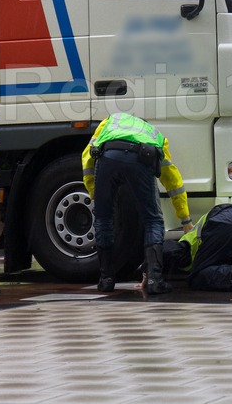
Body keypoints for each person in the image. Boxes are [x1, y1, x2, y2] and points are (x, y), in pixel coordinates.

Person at [82, 113, 193, 294]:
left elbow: (87, 155)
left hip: (107, 156)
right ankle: (155, 281)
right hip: (141, 156)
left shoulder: (111, 121)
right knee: (153, 220)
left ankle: (106, 280)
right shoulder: (154, 135)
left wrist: (94, 191)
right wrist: (185, 219)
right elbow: (173, 181)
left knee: (103, 218)